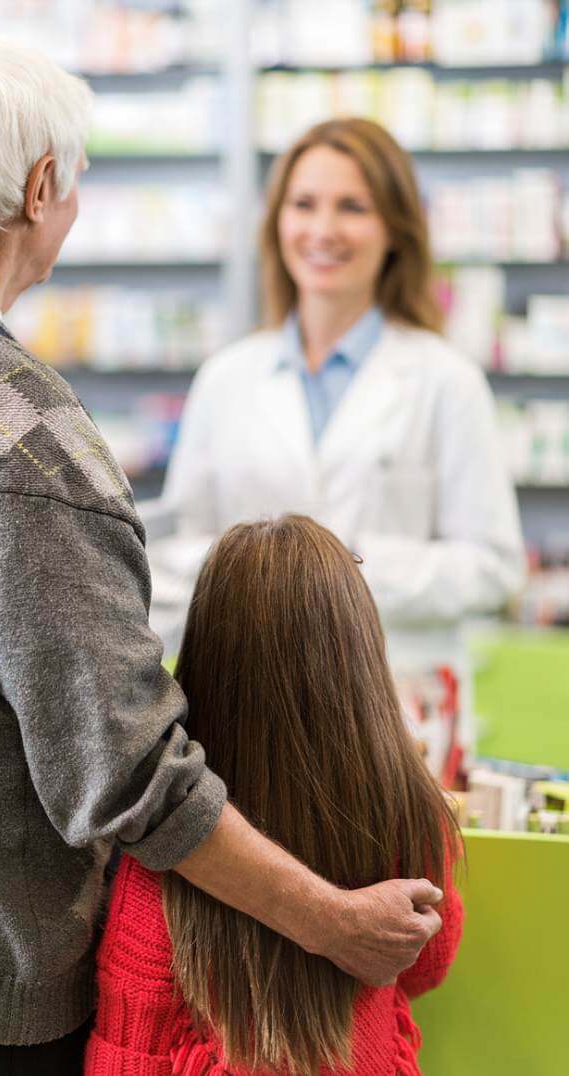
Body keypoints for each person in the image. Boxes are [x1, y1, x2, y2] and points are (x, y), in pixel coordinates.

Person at [0, 39, 444, 1075]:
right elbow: (127, 774)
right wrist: (331, 921)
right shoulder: (9, 422)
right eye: (77, 179)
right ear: (40, 188)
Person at [154, 118, 525, 744]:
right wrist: (255, 576)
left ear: (395, 229)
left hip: (399, 708)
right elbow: (184, 545)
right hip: (247, 698)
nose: (323, 230)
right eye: (303, 204)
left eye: (352, 207)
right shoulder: (227, 378)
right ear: (277, 222)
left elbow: (495, 566)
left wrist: (347, 567)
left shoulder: (446, 380)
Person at [87, 515, 465, 1075]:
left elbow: (127, 1050)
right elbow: (428, 959)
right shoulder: (407, 809)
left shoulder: (160, 854)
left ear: (205, 651)